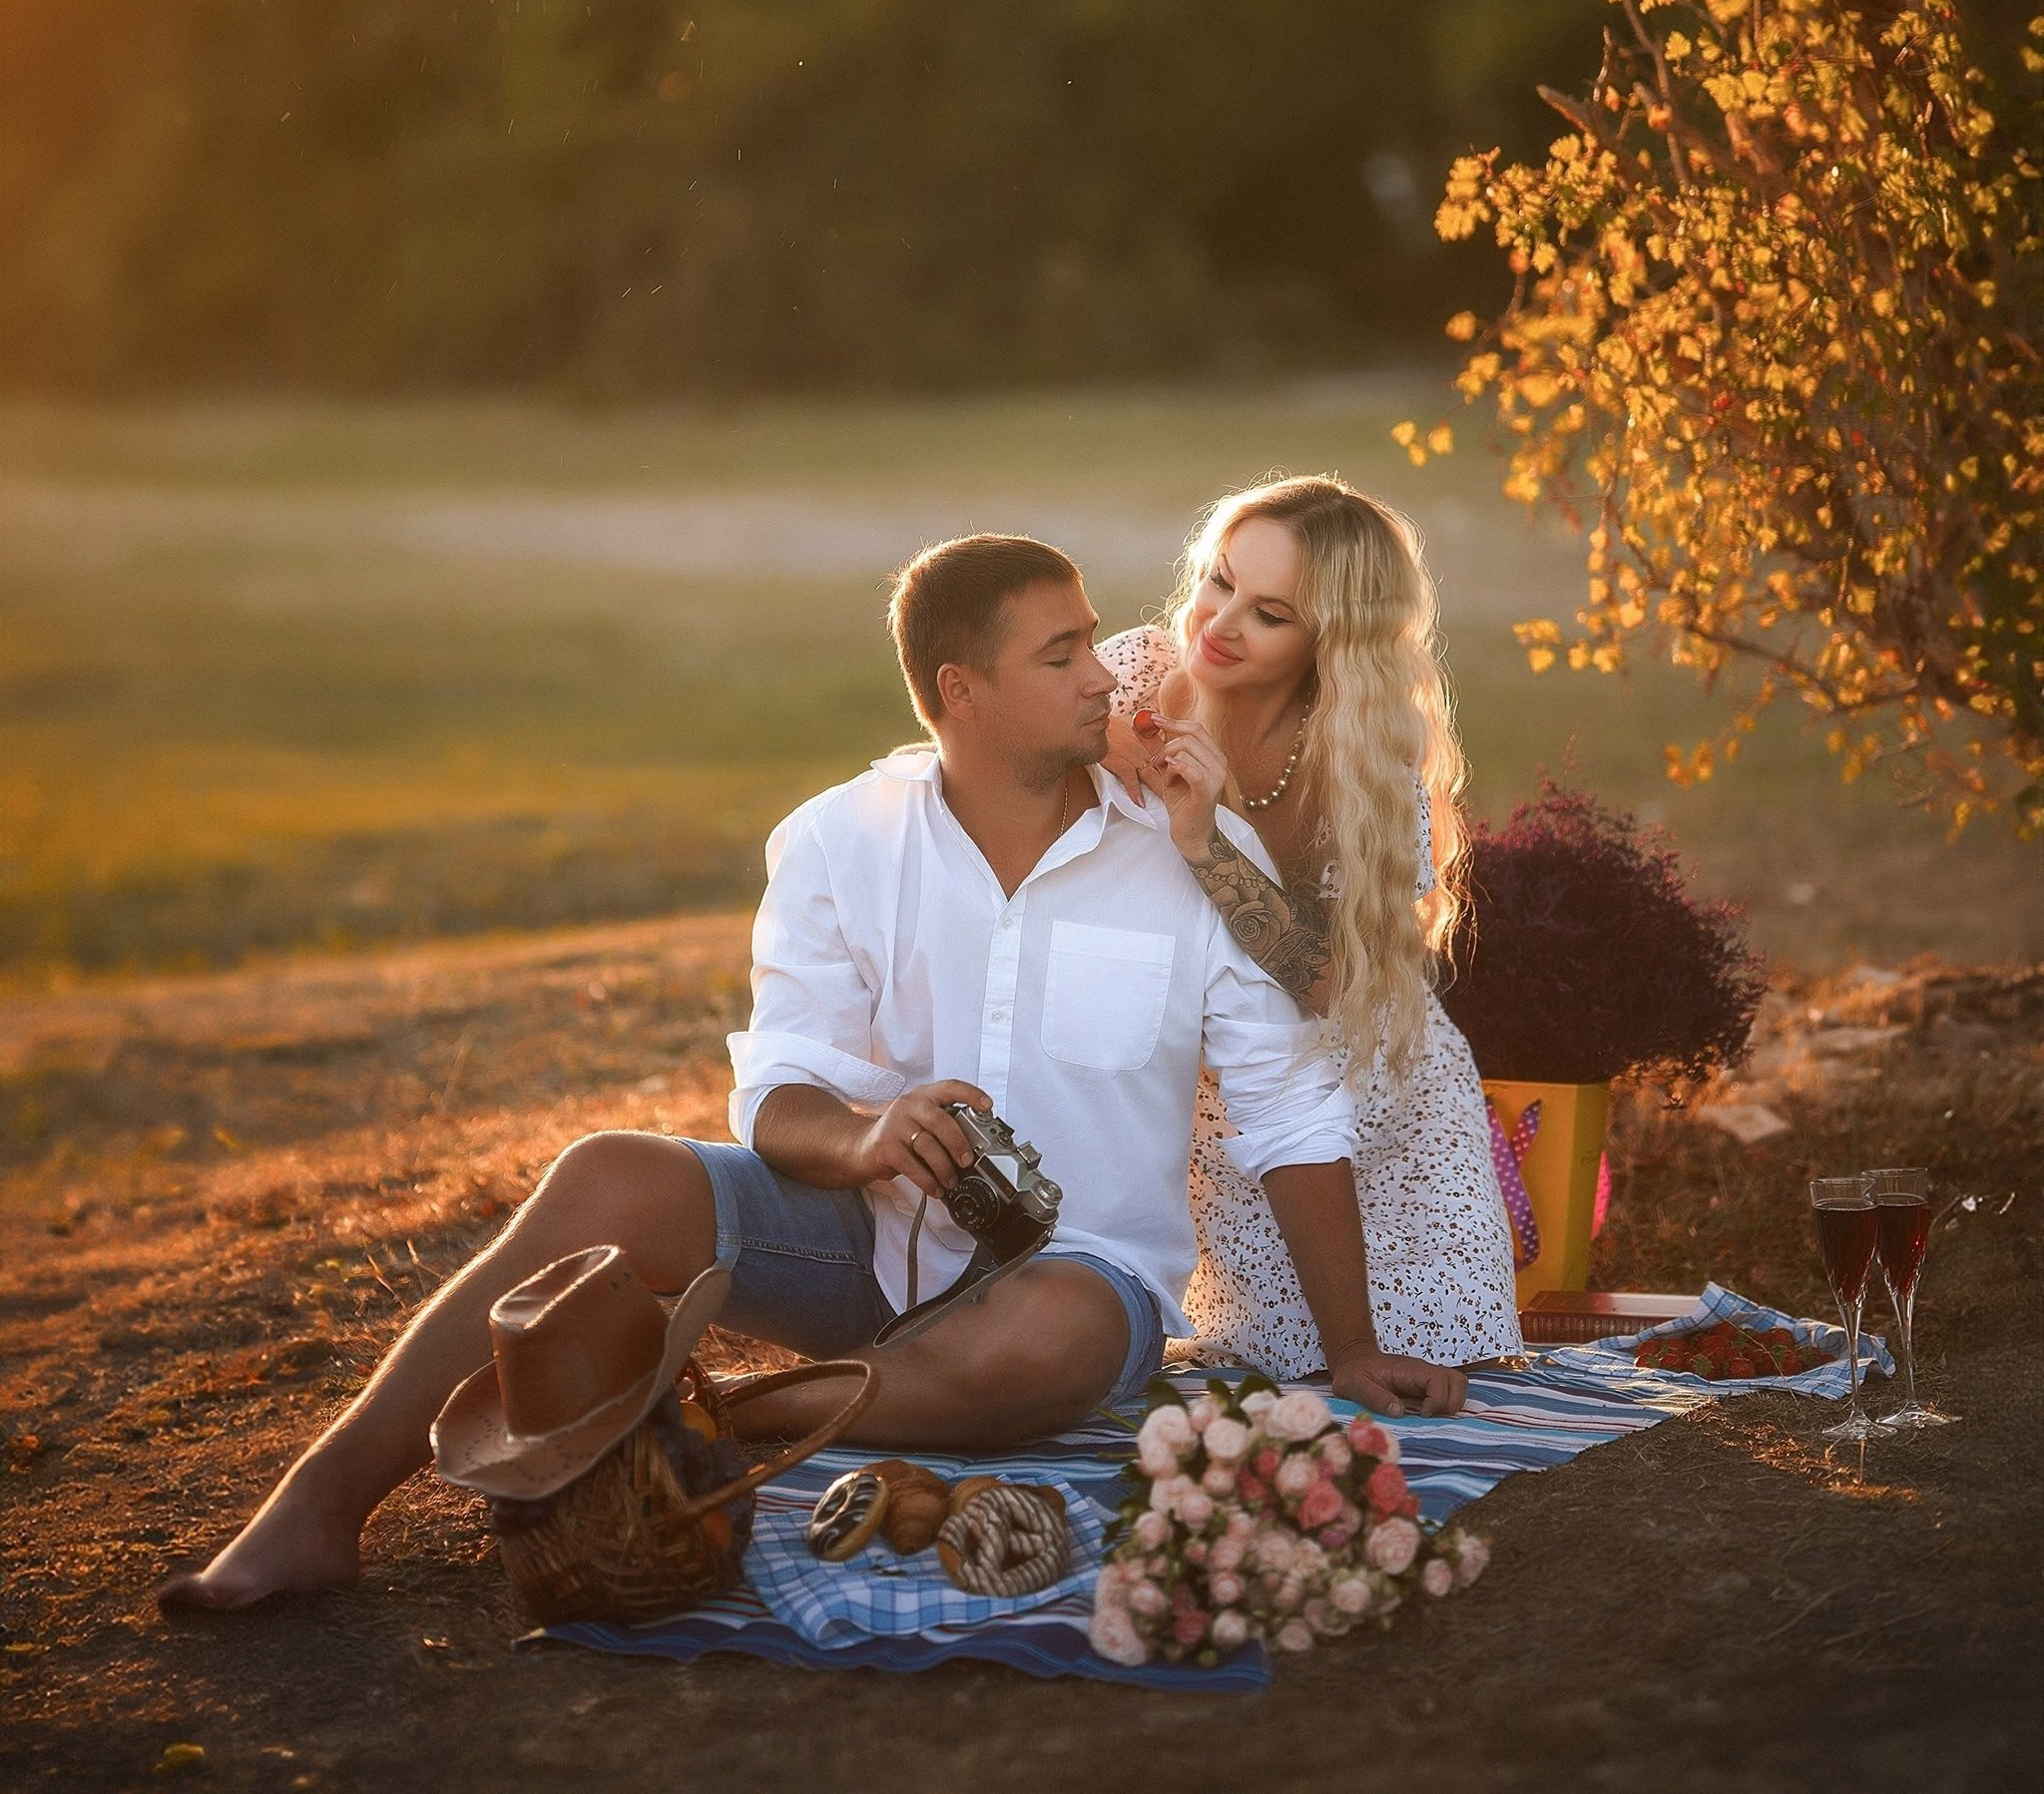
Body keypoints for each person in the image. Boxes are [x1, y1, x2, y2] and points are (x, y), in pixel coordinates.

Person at [162, 531, 1462, 1614]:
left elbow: (1293, 1112)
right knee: (608, 1173)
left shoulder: (1183, 863)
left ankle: (700, 1428)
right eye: (1063, 655)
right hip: (854, 1246)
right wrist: (862, 1137)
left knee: (1061, 1324)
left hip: (1080, 1283)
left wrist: (1350, 1347)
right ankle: (319, 1509)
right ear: (962, 692)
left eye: (1094, 641)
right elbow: (779, 1086)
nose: (1111, 677)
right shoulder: (840, 841)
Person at [1099, 474, 1522, 1377]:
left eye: (1269, 612)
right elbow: (990, 747)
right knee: (1249, 1385)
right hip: (1237, 1094)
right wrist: (1098, 740)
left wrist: (1205, 839)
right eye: (1219, 581)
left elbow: (1332, 987)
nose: (1217, 624)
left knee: (1445, 1389)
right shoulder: (1132, 678)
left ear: (1330, 639)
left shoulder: (1361, 766)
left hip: (1385, 1108)